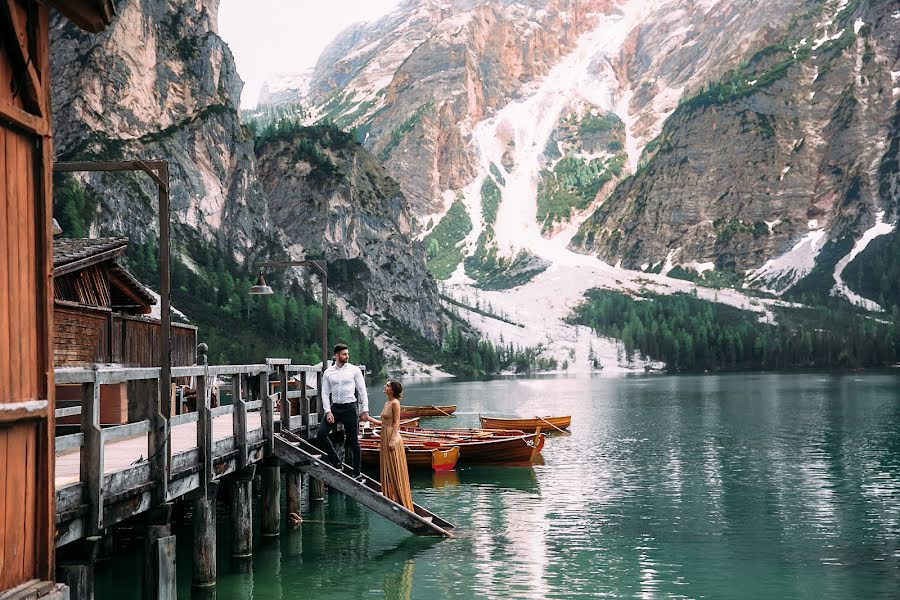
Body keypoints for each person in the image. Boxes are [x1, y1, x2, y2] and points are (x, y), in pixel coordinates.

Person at [317, 343, 369, 480]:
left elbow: (362, 390)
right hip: (335, 409)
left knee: (353, 442)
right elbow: (324, 393)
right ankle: (336, 461)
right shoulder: (328, 372)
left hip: (350, 408)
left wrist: (365, 410)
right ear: (336, 355)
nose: (347, 356)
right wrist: (328, 411)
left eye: (347, 353)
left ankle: (357, 472)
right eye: (344, 354)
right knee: (321, 433)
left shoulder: (354, 370)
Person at [367, 379, 413, 510]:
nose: (384, 386)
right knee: (387, 466)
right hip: (384, 435)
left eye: (387, 386)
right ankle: (390, 495)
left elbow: (396, 423)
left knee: (394, 466)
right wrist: (369, 419)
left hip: (392, 437)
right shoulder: (387, 402)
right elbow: (384, 423)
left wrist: (392, 440)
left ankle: (400, 498)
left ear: (392, 390)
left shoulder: (395, 403)